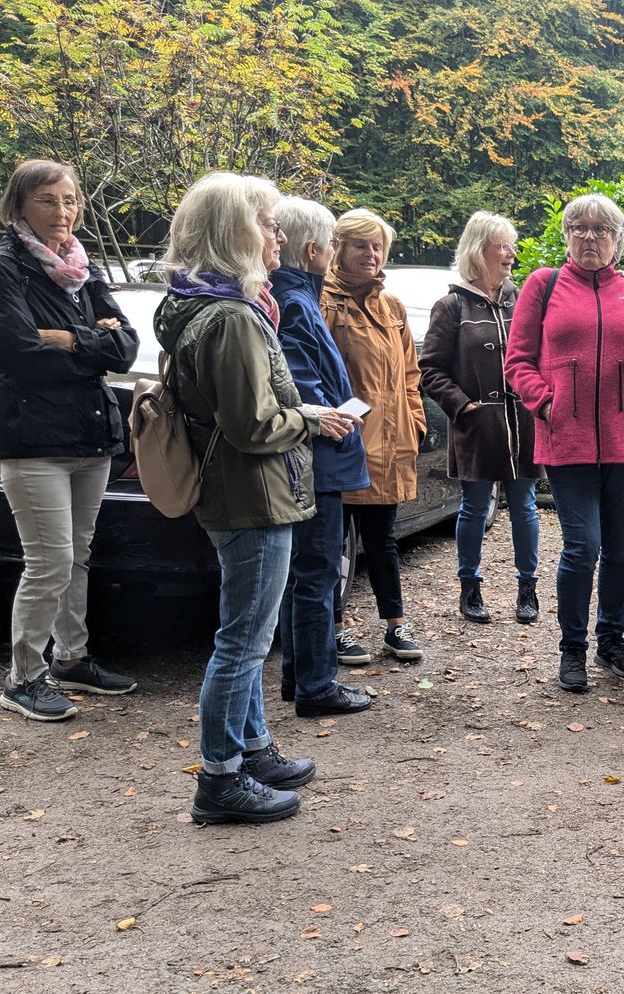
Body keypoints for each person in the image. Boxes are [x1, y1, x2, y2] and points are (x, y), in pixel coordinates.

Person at [156, 171, 357, 824]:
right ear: (236, 232)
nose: (278, 235)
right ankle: (219, 779)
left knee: (244, 631)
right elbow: (253, 426)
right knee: (243, 642)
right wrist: (313, 420)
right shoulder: (233, 318)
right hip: (253, 497)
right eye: (268, 223)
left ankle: (252, 749)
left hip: (241, 495)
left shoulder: (204, 304)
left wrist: (299, 409)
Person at [503, 193, 624, 693]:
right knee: (583, 546)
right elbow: (517, 362)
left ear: (617, 241)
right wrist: (546, 403)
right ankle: (573, 648)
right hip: (567, 440)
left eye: (601, 229)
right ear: (566, 236)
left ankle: (612, 639)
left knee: (623, 550)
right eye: (579, 228)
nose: (589, 237)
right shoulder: (543, 285)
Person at [0, 159, 139, 720]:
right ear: (19, 206)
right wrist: (92, 340)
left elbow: (127, 349)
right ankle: (23, 677)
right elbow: (19, 351)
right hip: (33, 437)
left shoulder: (83, 268)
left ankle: (73, 658)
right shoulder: (4, 268)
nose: (63, 212)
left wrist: (71, 339)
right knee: (49, 560)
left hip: (89, 433)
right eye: (49, 200)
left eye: (71, 200)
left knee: (79, 556)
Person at [270, 196, 373, 717]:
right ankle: (316, 686)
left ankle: (299, 677)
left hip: (319, 458)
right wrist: (338, 413)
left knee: (305, 574)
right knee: (315, 573)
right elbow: (298, 386)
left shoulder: (299, 299)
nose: (334, 252)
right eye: (332, 243)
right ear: (313, 249)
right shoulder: (295, 304)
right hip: (316, 460)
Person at [419, 211, 541, 627]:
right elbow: (430, 369)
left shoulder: (523, 299)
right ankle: (469, 586)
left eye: (512, 245)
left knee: (525, 506)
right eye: (503, 246)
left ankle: (528, 588)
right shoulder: (451, 304)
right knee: (472, 508)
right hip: (476, 425)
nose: (511, 253)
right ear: (479, 249)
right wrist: (463, 405)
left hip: (522, 422)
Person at [322, 207, 427, 665]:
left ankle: (394, 625)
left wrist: (415, 422)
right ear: (338, 249)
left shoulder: (393, 307)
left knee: (383, 540)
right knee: (335, 543)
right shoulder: (323, 302)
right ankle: (336, 627)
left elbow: (410, 375)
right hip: (344, 442)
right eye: (361, 245)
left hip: (389, 443)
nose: (372, 253)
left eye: (378, 245)